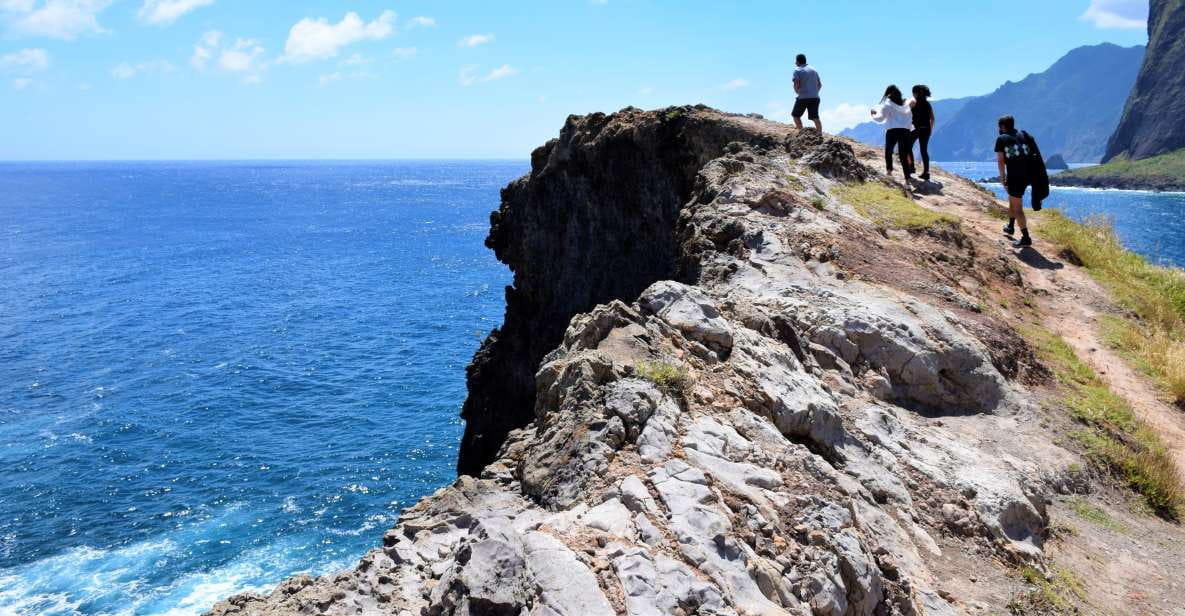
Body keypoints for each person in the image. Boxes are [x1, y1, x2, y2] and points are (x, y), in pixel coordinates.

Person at [995, 115, 1049, 247]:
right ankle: (1010, 226)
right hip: (1029, 175)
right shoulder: (1023, 134)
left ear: (1002, 126)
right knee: (1012, 199)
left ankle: (1026, 238)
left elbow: (1001, 161)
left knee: (1018, 207)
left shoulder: (1001, 139)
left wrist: (1002, 178)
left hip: (1015, 177)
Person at [870, 85, 914, 182]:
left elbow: (880, 118)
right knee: (903, 154)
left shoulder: (887, 104)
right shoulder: (906, 105)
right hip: (905, 131)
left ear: (888, 94)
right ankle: (907, 178)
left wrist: (873, 114)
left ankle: (889, 172)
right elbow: (910, 119)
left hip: (892, 131)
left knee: (889, 151)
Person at [908, 85, 934, 181]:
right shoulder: (928, 104)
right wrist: (930, 130)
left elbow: (905, 114)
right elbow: (932, 119)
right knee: (924, 150)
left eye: (913, 92)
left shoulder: (913, 103)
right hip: (926, 129)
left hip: (915, 129)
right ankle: (926, 173)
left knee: (907, 147)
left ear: (916, 93)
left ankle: (911, 167)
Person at [792, 54, 822, 132]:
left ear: (798, 61)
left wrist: (797, 91)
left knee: (795, 115)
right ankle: (820, 135)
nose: (795, 63)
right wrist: (814, 92)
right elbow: (820, 84)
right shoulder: (814, 70)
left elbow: (796, 84)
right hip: (815, 97)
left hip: (803, 97)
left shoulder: (797, 70)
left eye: (796, 61)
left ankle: (800, 132)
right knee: (815, 117)